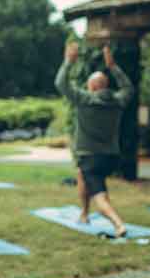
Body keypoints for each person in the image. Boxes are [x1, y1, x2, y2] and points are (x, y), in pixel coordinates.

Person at [56, 42, 133, 238]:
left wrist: (68, 61)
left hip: (91, 157)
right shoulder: (118, 101)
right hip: (112, 157)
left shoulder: (85, 99)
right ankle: (84, 213)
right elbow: (128, 87)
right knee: (81, 176)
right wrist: (113, 66)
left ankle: (118, 225)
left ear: (91, 86)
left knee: (100, 196)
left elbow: (61, 84)